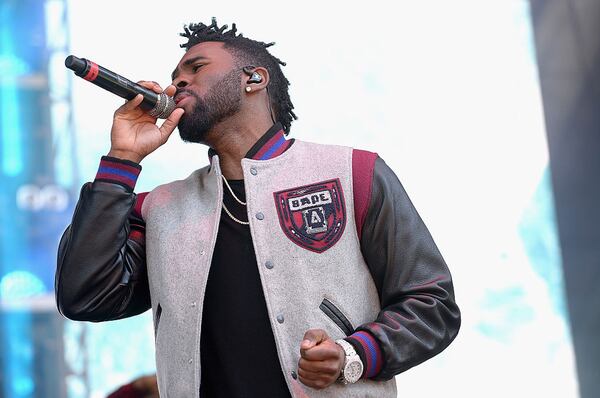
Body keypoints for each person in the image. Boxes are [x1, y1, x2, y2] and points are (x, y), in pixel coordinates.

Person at [55, 18, 461, 398]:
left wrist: (352, 354)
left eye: (195, 68)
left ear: (254, 78)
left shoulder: (354, 172)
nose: (177, 81)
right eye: (176, 74)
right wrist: (121, 160)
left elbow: (431, 304)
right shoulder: (158, 208)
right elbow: (85, 296)